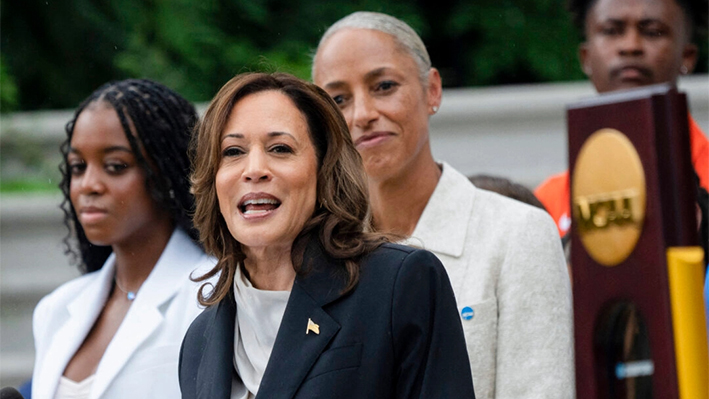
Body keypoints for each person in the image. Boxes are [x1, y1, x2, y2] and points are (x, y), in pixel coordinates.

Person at [312, 11, 574, 399]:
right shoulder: (315, 256)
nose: (363, 114)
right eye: (338, 99)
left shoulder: (518, 234)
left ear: (432, 90)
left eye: (383, 86)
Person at [178, 72, 474, 398]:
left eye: (280, 148)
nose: (254, 169)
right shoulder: (198, 342)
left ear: (324, 170)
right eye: (233, 152)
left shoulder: (398, 284)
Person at [31, 79, 215, 399]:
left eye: (115, 166)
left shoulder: (213, 294)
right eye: (77, 167)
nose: (88, 185)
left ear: (166, 173)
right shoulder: (55, 310)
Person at [535, 0, 709, 238]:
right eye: (611, 30)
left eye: (653, 31)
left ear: (687, 57)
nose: (631, 46)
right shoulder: (547, 205)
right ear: (586, 57)